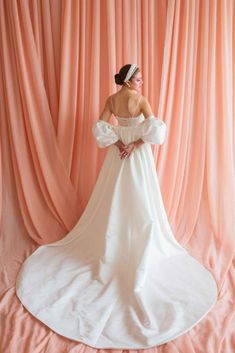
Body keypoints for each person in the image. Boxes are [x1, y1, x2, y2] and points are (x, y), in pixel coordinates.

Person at [16, 64, 218, 349]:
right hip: (135, 154)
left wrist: (119, 144)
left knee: (113, 198)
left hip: (117, 154)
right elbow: (154, 129)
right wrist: (133, 144)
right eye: (138, 78)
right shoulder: (140, 99)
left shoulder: (112, 100)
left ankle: (118, 238)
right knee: (140, 199)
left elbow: (100, 127)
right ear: (128, 80)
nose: (142, 81)